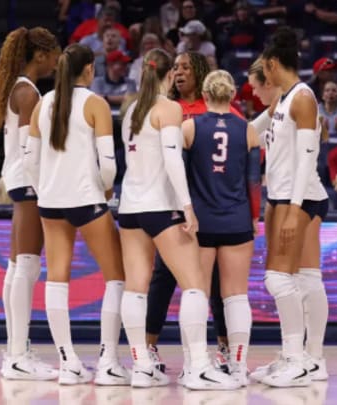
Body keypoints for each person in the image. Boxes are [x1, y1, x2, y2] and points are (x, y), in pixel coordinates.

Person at [117, 47, 238, 390]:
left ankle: (141, 366)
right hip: (161, 207)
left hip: (129, 208)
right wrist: (187, 207)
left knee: (136, 288)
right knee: (196, 286)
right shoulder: (167, 107)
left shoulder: (130, 111)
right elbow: (172, 161)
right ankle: (199, 367)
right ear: (169, 74)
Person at [24, 43, 128, 386]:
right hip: (87, 199)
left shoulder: (44, 102)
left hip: (51, 202)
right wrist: (107, 189)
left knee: (57, 278)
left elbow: (31, 161)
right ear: (88, 69)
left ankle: (68, 362)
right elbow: (109, 166)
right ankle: (109, 360)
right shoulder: (95, 103)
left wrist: (46, 189)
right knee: (116, 277)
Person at [250, 27, 330, 388]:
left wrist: (294, 208)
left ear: (271, 64)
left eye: (262, 70)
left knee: (278, 279)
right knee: (305, 278)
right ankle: (310, 359)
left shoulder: (303, 98)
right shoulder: (280, 100)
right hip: (282, 195)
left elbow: (308, 158)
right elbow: (250, 132)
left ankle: (298, 359)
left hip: (299, 197)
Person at [181, 69, 261, 387]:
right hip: (237, 219)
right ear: (233, 94)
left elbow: (181, 179)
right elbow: (254, 183)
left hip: (200, 221)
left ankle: (194, 363)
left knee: (196, 293)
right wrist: (254, 218)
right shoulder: (249, 130)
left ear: (204, 93)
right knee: (236, 296)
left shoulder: (189, 127)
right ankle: (238, 366)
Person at [0, 27, 61, 381]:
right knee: (27, 268)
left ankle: (16, 350)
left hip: (17, 181)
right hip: (29, 183)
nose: (57, 60)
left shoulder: (19, 87)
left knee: (17, 266)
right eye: (54, 53)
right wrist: (45, 185)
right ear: (40, 55)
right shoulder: (29, 93)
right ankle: (18, 355)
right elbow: (30, 150)